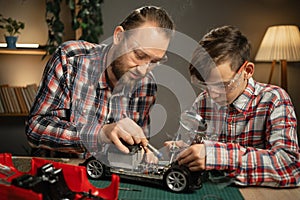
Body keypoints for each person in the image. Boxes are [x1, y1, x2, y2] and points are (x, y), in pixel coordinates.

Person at [25, 6, 175, 158]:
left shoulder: (146, 85)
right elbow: (35, 129)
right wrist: (101, 134)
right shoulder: (70, 59)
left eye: (154, 62)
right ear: (119, 36)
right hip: (61, 173)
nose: (143, 71)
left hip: (109, 178)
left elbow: (135, 145)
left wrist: (143, 154)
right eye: (139, 55)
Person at [165, 25, 299, 187]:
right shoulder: (203, 101)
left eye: (222, 85)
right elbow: (191, 147)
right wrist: (182, 151)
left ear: (247, 71)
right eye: (205, 85)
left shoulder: (274, 100)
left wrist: (215, 155)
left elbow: (290, 167)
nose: (213, 94)